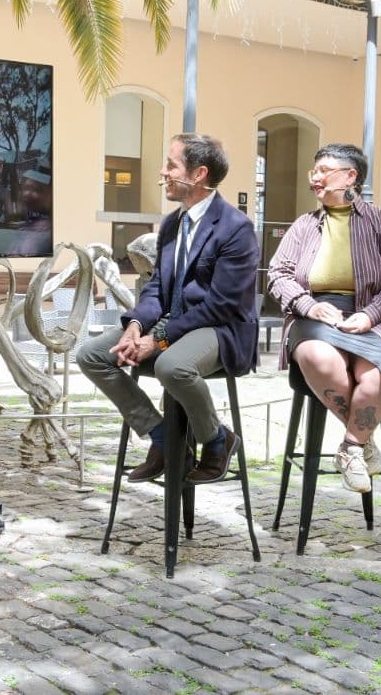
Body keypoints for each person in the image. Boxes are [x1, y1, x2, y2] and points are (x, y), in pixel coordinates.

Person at [76, 133, 259, 484]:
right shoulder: (173, 223)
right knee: (91, 355)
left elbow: (220, 305)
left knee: (171, 366)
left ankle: (218, 439)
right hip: (170, 323)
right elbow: (158, 286)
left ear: (198, 174)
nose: (162, 172)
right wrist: (134, 327)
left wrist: (157, 340)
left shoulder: (237, 229)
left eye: (171, 165)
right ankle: (161, 437)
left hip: (221, 328)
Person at [266, 143, 381, 493]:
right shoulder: (304, 225)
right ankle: (364, 440)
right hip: (317, 312)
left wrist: (370, 314)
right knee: (316, 357)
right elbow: (278, 273)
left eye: (324, 171)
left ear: (351, 176)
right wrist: (307, 305)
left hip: (377, 314)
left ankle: (350, 447)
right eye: (313, 171)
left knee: (375, 375)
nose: (315, 178)